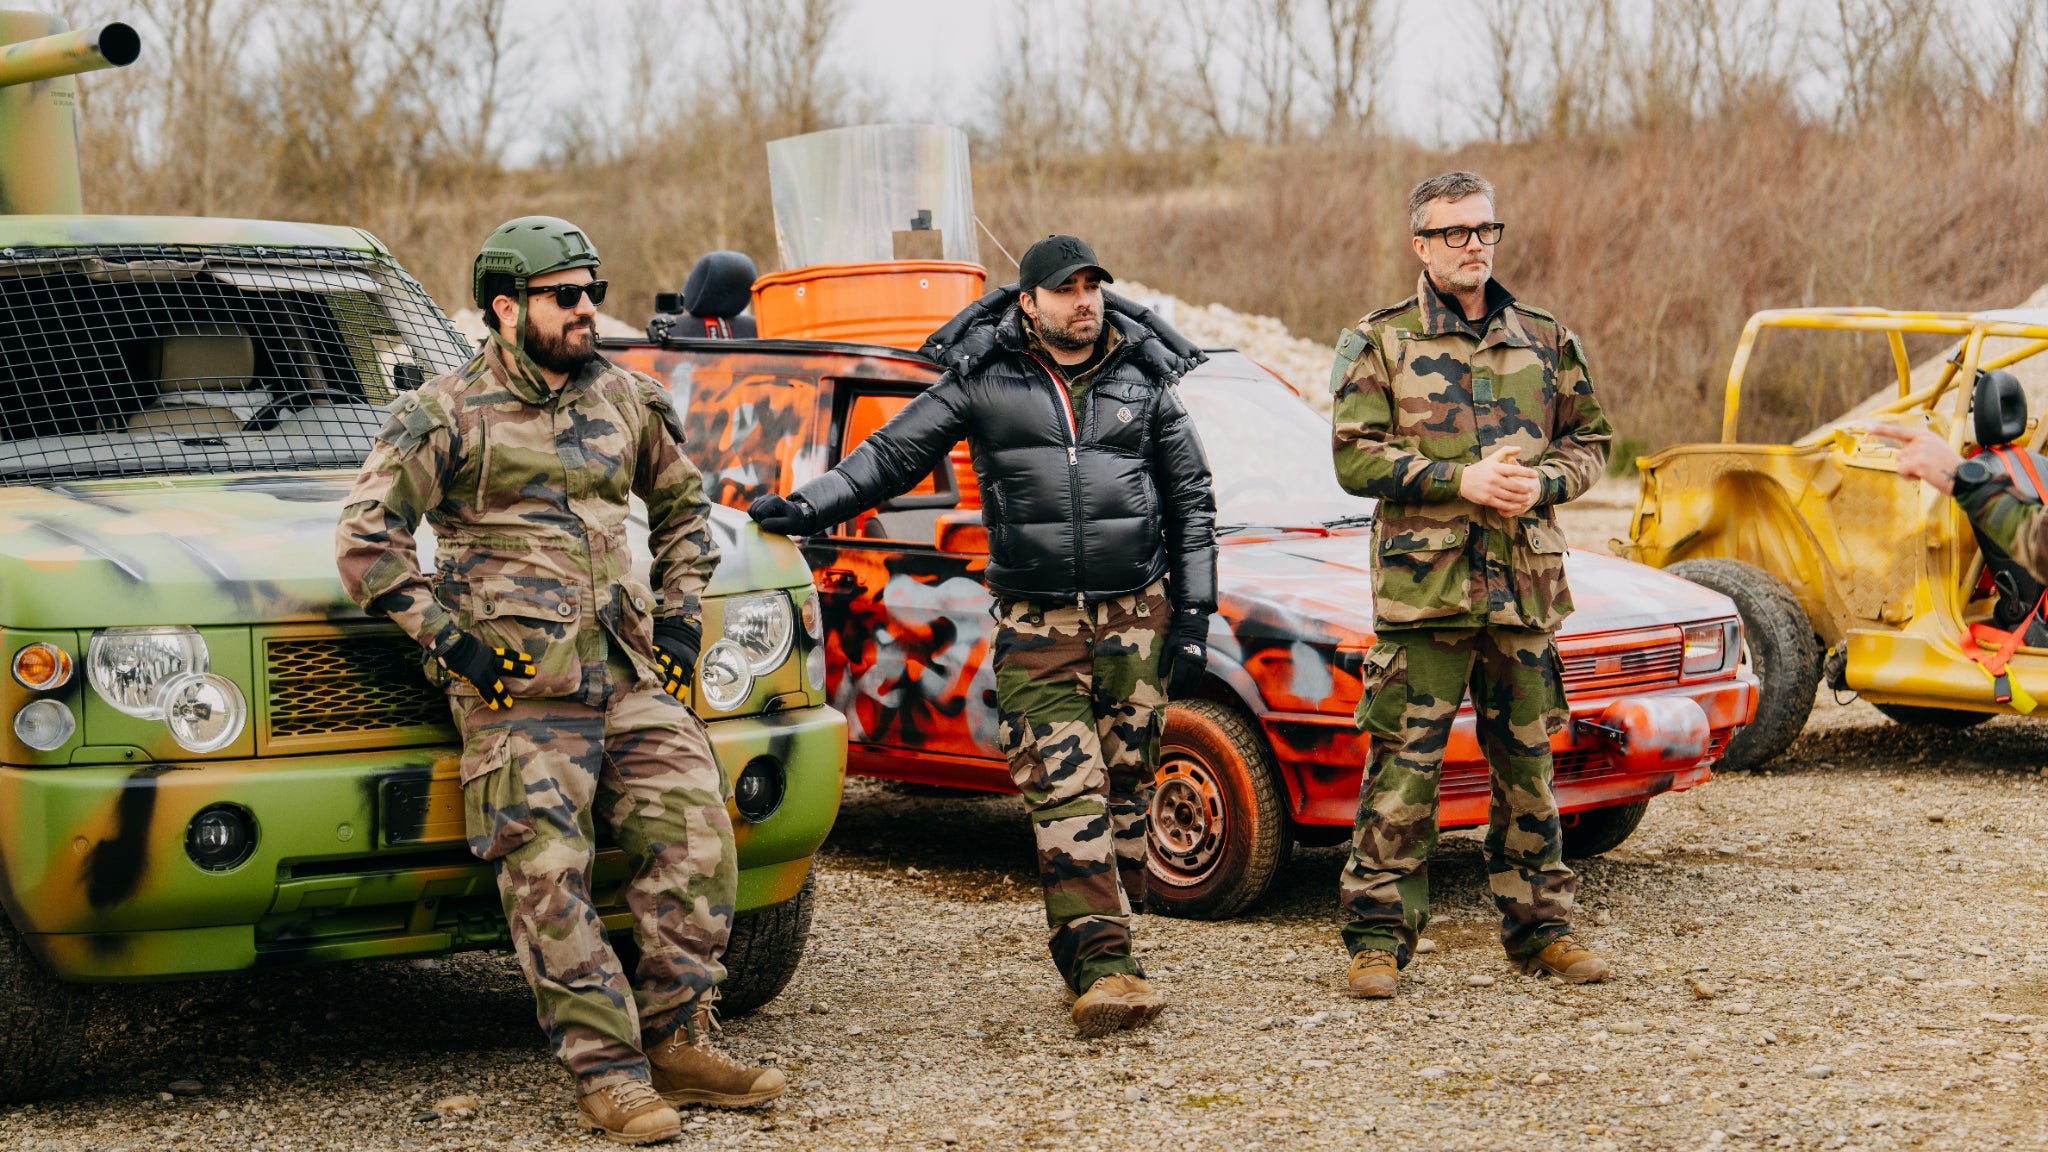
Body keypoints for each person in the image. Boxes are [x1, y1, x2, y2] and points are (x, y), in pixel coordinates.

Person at [336, 216, 784, 1145]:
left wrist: (682, 610)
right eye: (565, 296)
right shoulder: (446, 412)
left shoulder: (625, 397)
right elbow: (367, 541)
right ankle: (609, 1075)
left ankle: (680, 1040)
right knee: (548, 877)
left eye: (593, 292)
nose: (588, 310)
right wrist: (449, 643)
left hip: (626, 675)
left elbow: (683, 507)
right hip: (518, 694)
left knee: (699, 841)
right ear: (507, 308)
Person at [748, 234, 1217, 1036]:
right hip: (1038, 624)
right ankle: (1104, 965)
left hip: (1138, 615)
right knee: (1064, 784)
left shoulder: (1144, 378)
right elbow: (892, 454)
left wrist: (1197, 615)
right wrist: (811, 506)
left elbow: (1192, 500)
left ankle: (1112, 914)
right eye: (1066, 290)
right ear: (1029, 303)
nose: (1084, 302)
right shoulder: (986, 379)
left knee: (1125, 778)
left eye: (1093, 287)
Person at [1328, 172, 1615, 998]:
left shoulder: (1545, 337)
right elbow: (1355, 458)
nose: (1474, 245)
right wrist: (1461, 481)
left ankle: (1542, 932)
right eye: (1454, 232)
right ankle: (1377, 939)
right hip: (1427, 600)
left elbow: (1591, 440)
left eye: (1485, 229)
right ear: (1421, 244)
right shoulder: (1379, 343)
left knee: (1528, 770)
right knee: (1404, 773)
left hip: (1523, 592)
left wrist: (1549, 484)